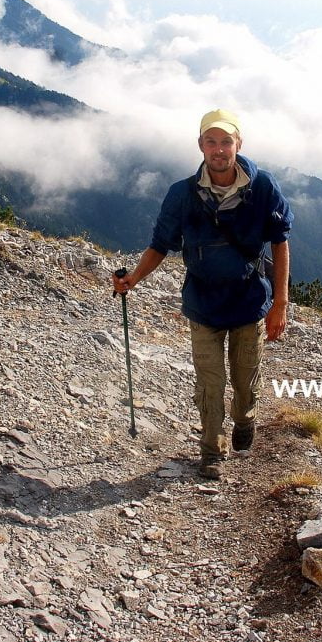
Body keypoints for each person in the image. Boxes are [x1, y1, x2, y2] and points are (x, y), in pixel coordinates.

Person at [112, 109, 293, 479]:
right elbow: (161, 244)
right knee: (210, 384)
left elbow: (280, 241)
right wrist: (134, 278)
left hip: (248, 302)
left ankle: (245, 418)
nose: (219, 149)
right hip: (203, 303)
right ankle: (211, 449)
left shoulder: (262, 187)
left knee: (245, 381)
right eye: (211, 142)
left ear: (238, 144)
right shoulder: (182, 194)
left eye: (226, 141)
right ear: (200, 145)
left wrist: (280, 303)